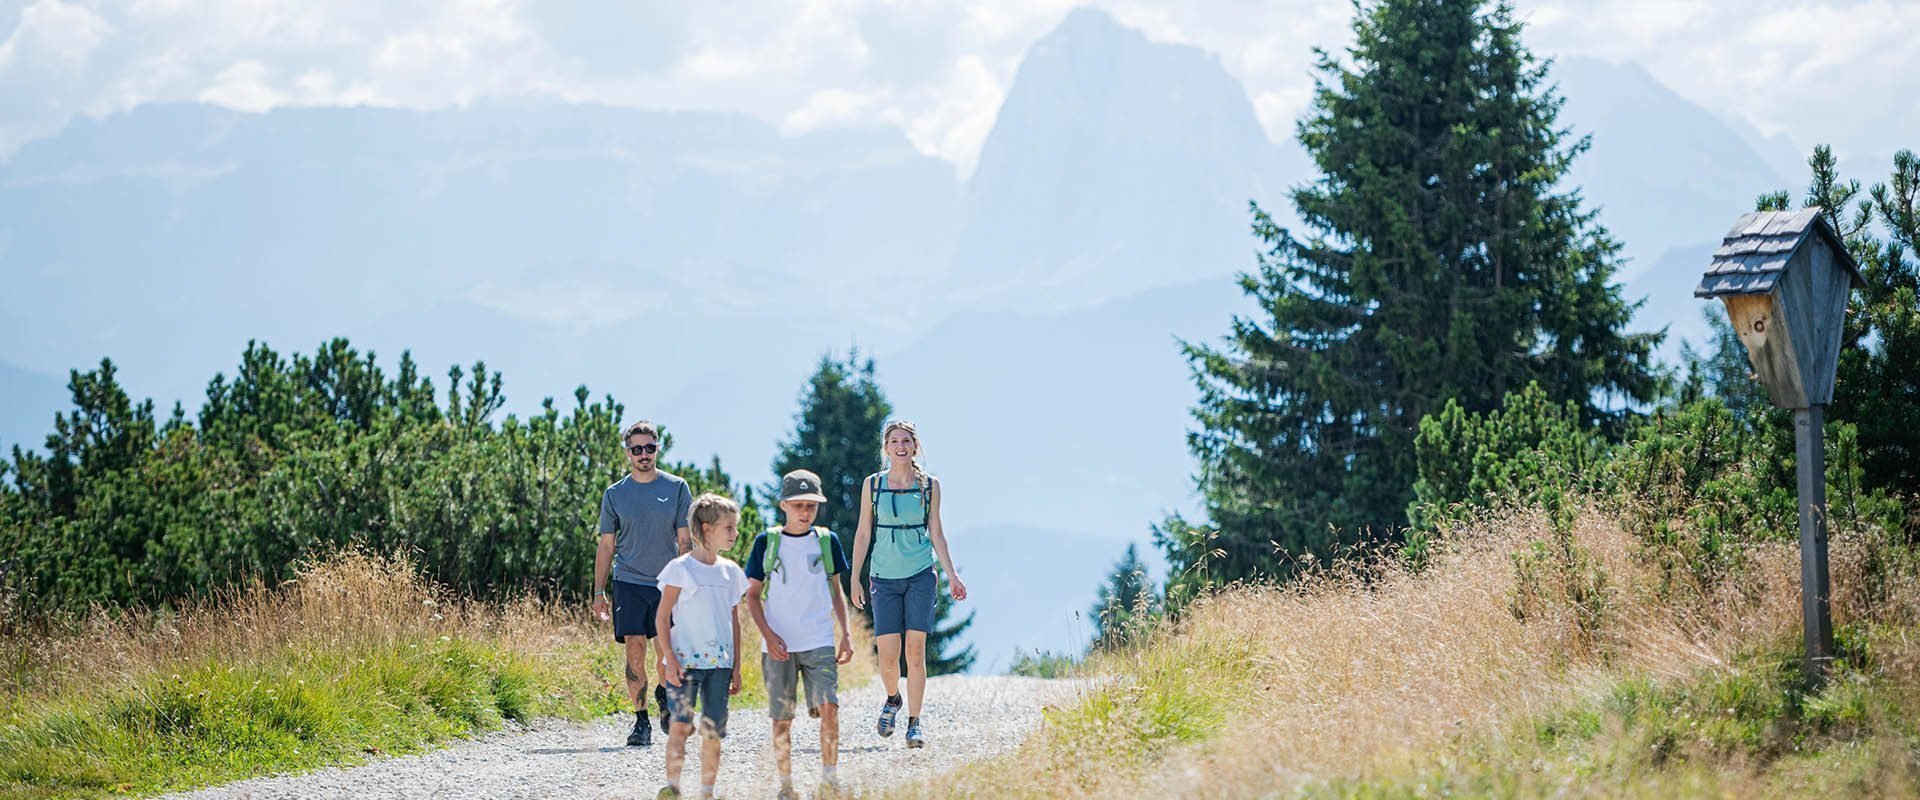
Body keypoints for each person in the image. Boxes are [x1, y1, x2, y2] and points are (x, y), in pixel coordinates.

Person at [850, 419, 967, 749]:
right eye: (894, 441)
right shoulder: (872, 485)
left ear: (915, 447)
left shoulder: (930, 486)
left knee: (915, 652)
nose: (900, 446)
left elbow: (937, 534)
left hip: (920, 575)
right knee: (888, 658)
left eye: (906, 440)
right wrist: (856, 577)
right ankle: (892, 699)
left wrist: (952, 575)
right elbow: (863, 533)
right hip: (883, 577)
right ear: (885, 448)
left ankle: (915, 724)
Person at [744, 469, 855, 800]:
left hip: (819, 639)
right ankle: (786, 785)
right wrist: (768, 634)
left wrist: (846, 634)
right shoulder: (767, 542)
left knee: (830, 708)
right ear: (783, 506)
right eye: (798, 506)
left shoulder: (826, 541)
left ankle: (830, 780)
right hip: (778, 646)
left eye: (811, 505)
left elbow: (837, 591)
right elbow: (752, 595)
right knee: (782, 719)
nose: (805, 512)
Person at [590, 420, 694, 748]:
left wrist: (688, 584)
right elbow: (607, 545)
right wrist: (598, 592)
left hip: (667, 584)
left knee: (665, 655)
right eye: (637, 449)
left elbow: (684, 540)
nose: (644, 454)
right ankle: (641, 722)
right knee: (635, 652)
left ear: (657, 449)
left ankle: (665, 694)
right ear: (628, 453)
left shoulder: (676, 487)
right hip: (628, 581)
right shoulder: (615, 494)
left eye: (649, 448)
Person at [653, 492, 750, 800]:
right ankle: (673, 788)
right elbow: (662, 616)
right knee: (681, 724)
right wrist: (668, 657)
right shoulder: (680, 569)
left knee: (712, 731)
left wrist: (736, 666)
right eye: (729, 528)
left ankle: (707, 792)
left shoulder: (731, 571)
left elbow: (735, 621)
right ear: (707, 528)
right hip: (684, 665)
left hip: (720, 667)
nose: (735, 534)